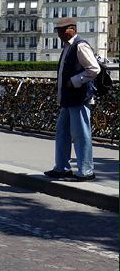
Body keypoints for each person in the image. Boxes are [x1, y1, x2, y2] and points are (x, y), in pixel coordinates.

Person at [44, 17, 100, 182]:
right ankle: (62, 168)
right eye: (58, 31)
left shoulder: (80, 45)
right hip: (68, 99)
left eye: (62, 30)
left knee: (81, 135)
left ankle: (86, 171)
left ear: (72, 29)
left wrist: (75, 80)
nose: (60, 33)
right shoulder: (69, 47)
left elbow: (94, 69)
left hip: (80, 98)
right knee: (62, 133)